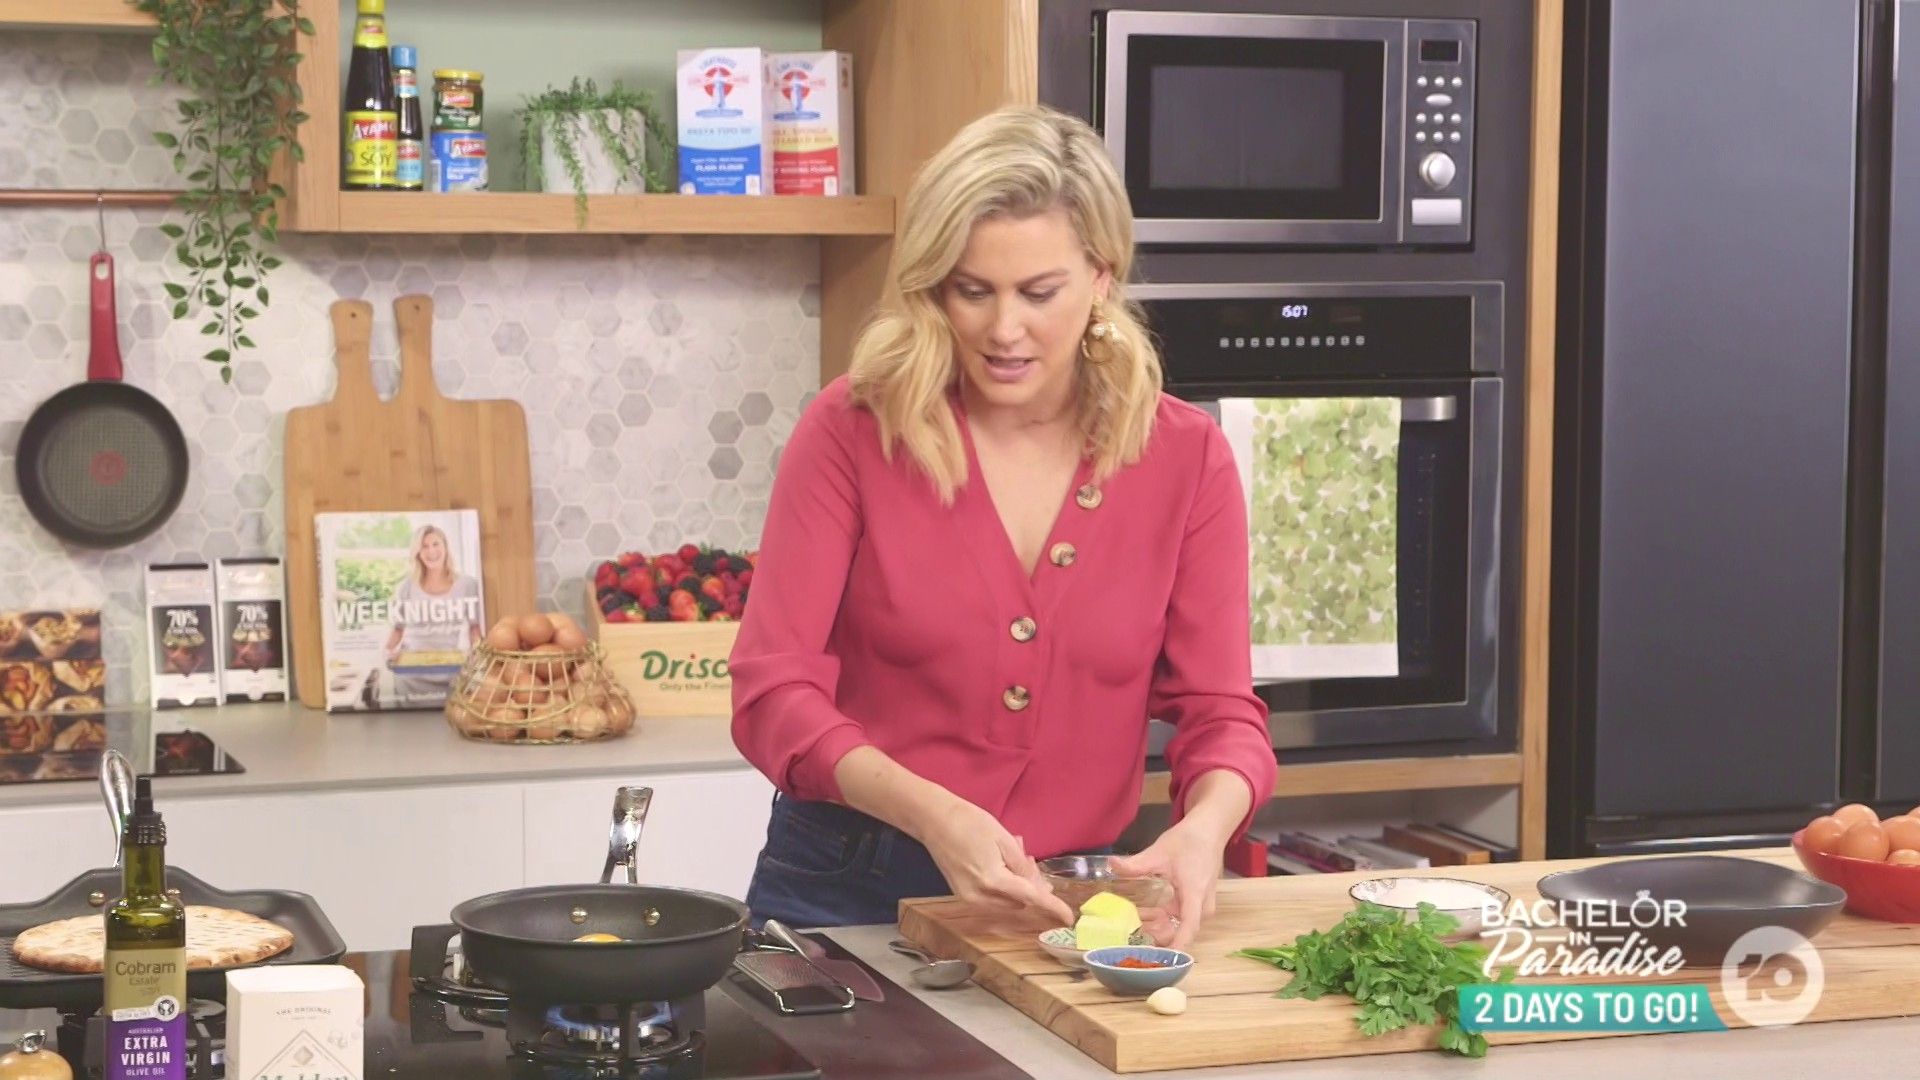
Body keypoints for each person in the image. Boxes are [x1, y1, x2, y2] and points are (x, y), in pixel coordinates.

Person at [729, 104, 1277, 948]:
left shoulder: (1185, 457)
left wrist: (1205, 830)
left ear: (1100, 277)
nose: (1003, 329)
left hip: (1074, 901)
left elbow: (1223, 713)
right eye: (972, 290)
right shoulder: (854, 429)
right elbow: (772, 695)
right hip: (845, 891)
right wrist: (933, 814)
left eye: (1039, 293)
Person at [383, 523, 483, 704]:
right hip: (410, 678)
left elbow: (474, 628)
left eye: (436, 544)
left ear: (445, 547)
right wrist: (388, 652)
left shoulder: (468, 584)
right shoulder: (406, 586)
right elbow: (398, 629)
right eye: (424, 546)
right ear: (418, 553)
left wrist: (476, 656)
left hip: (451, 674)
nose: (431, 551)